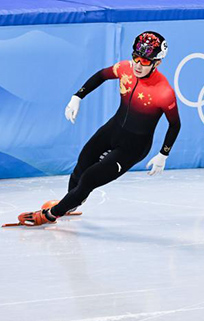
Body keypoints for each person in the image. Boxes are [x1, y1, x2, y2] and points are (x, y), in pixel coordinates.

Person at [16, 31, 181, 226]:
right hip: (114, 129)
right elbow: (101, 75)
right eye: (135, 57)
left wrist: (163, 154)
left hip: (134, 146)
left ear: (157, 63)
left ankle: (50, 214)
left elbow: (174, 124)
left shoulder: (164, 92)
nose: (137, 65)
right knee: (83, 160)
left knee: (89, 179)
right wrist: (77, 97)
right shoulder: (125, 68)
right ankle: (70, 202)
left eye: (145, 61)